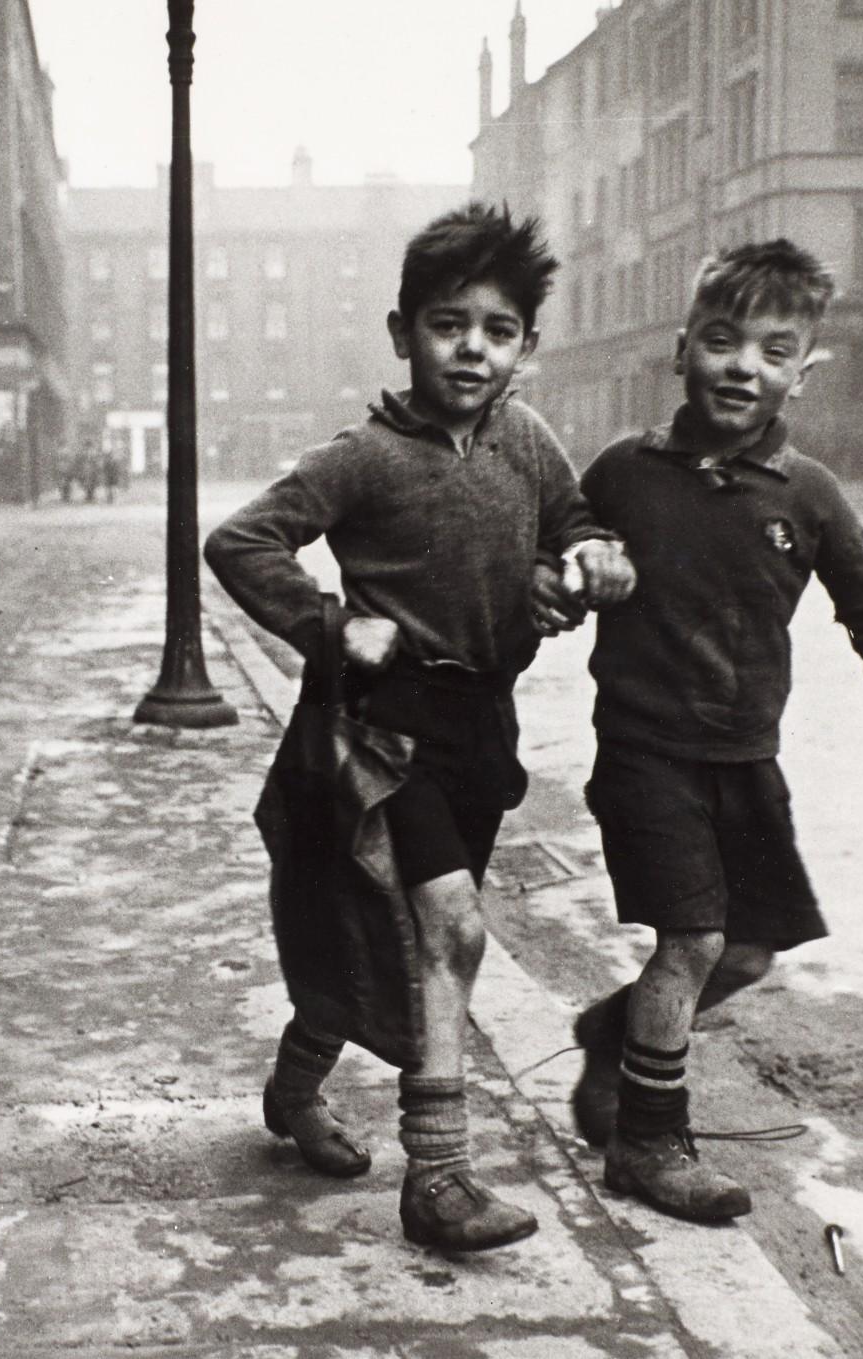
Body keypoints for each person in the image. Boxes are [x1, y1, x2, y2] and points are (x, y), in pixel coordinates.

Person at [205, 202, 635, 1253]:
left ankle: (293, 1088)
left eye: (496, 330)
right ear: (403, 332)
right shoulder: (361, 457)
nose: (471, 349)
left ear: (525, 348)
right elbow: (240, 542)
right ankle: (437, 1177)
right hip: (374, 732)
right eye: (448, 324)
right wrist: (329, 624)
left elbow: (575, 530)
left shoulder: (525, 442)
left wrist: (584, 569)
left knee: (387, 944)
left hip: (475, 727)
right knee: (447, 930)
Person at [545, 239, 863, 1223]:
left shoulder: (805, 494)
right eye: (723, 341)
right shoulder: (623, 472)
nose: (744, 366)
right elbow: (553, 550)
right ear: (681, 346)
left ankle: (610, 1036)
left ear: (802, 371)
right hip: (645, 753)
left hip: (745, 760)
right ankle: (649, 1144)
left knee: (745, 954)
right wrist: (574, 561)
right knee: (691, 940)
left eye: (773, 351)